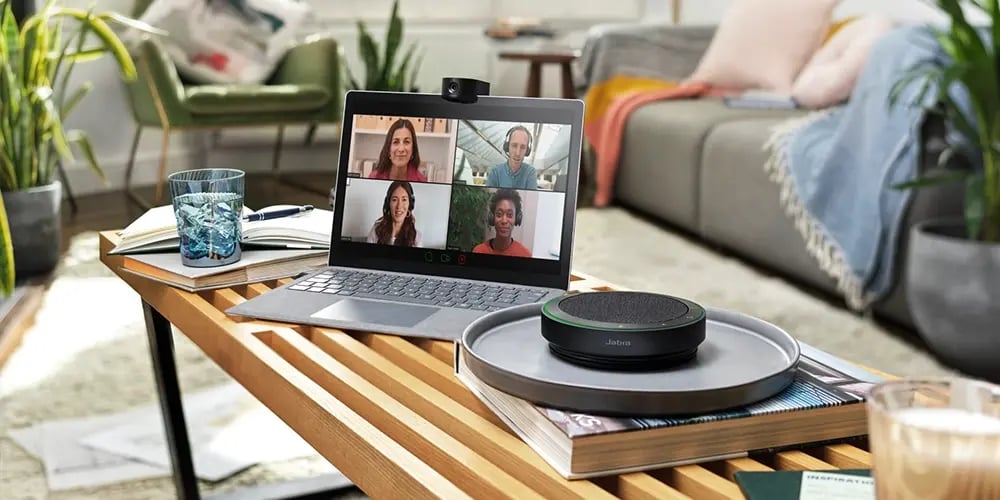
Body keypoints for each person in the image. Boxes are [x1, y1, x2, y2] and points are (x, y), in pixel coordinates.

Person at [473, 189, 532, 257]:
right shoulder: (478, 251)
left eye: (509, 215)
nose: (504, 221)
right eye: (499, 214)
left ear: (517, 218)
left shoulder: (525, 255)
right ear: (492, 217)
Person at [367, 181, 422, 247]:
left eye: (404, 200)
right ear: (388, 203)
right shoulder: (376, 230)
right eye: (394, 200)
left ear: (410, 204)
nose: (399, 206)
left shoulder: (416, 237)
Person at [485, 125, 538, 189]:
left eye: (523, 147)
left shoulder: (530, 173)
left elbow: (532, 198)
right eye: (514, 145)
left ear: (527, 150)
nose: (518, 153)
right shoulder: (495, 172)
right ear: (507, 147)